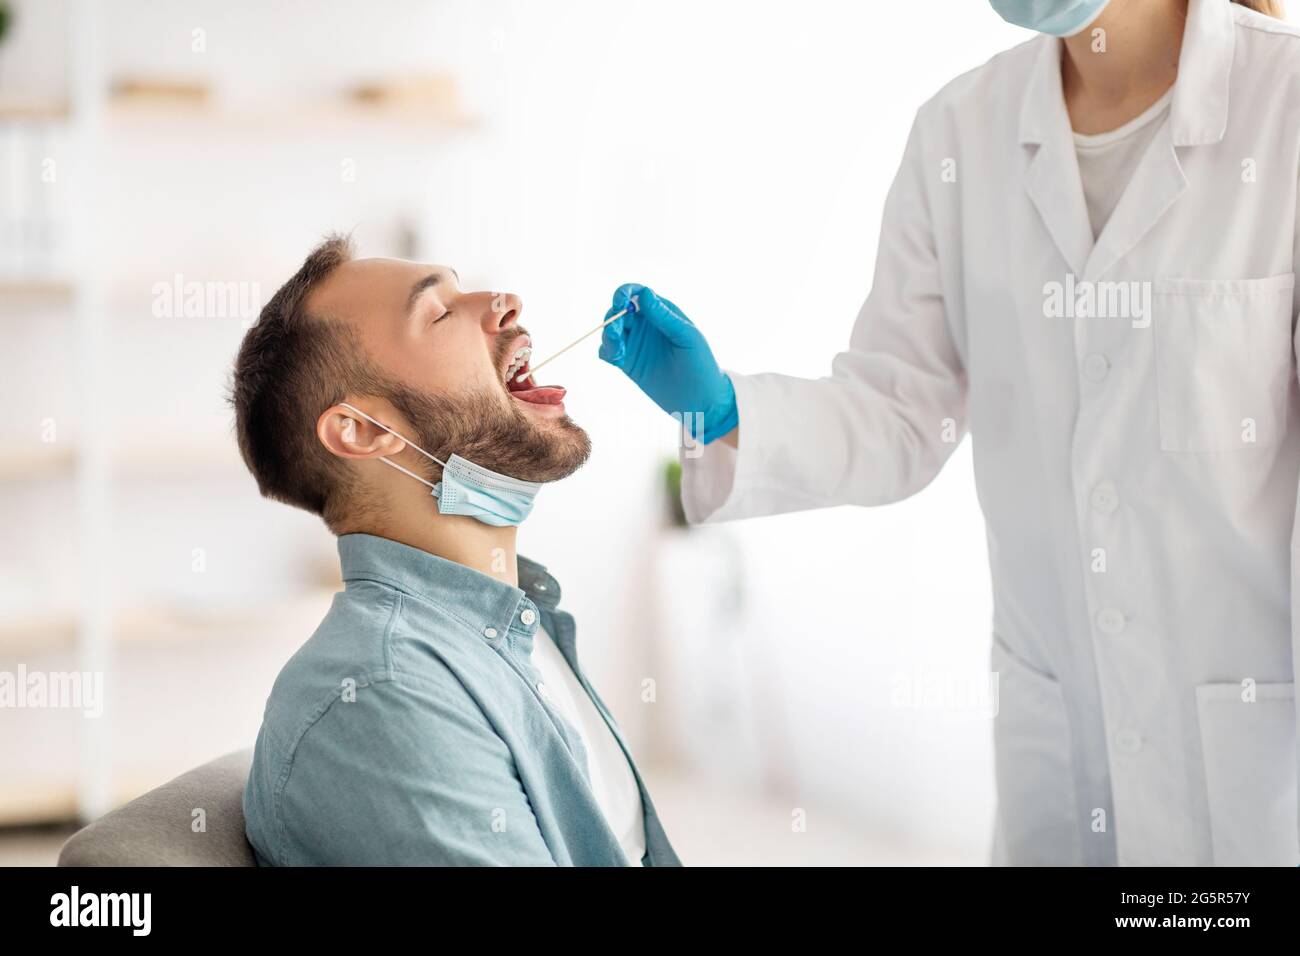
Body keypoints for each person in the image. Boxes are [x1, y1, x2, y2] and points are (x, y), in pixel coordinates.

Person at [601, 0, 1299, 866]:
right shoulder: (959, 134)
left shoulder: (1287, 105)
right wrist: (723, 410)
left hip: (1261, 779)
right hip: (1062, 754)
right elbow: (899, 411)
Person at [231, 235, 679, 866]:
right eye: (438, 312)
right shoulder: (389, 691)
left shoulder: (520, 621)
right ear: (362, 430)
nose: (505, 303)